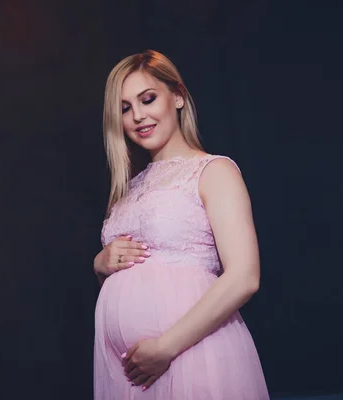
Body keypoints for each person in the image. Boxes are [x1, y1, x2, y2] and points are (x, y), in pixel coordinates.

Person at [92, 50, 270, 399]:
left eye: (147, 99)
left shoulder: (213, 171)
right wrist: (101, 264)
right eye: (125, 108)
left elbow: (245, 277)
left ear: (178, 97)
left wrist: (166, 347)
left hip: (191, 355)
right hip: (130, 371)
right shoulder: (128, 190)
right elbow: (133, 276)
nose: (138, 116)